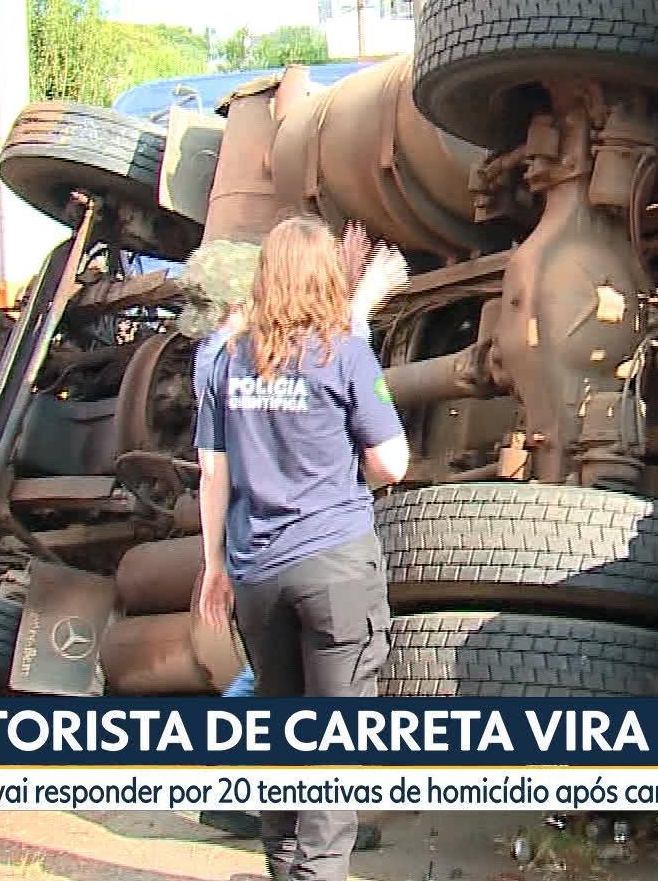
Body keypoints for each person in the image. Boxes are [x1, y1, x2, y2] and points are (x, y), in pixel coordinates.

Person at [194, 216, 410, 881]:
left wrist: (213, 567)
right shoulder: (344, 351)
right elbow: (392, 462)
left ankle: (286, 870)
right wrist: (351, 472)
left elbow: (213, 472)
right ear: (325, 279)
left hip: (257, 572)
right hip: (336, 567)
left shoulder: (229, 359)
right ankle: (320, 873)